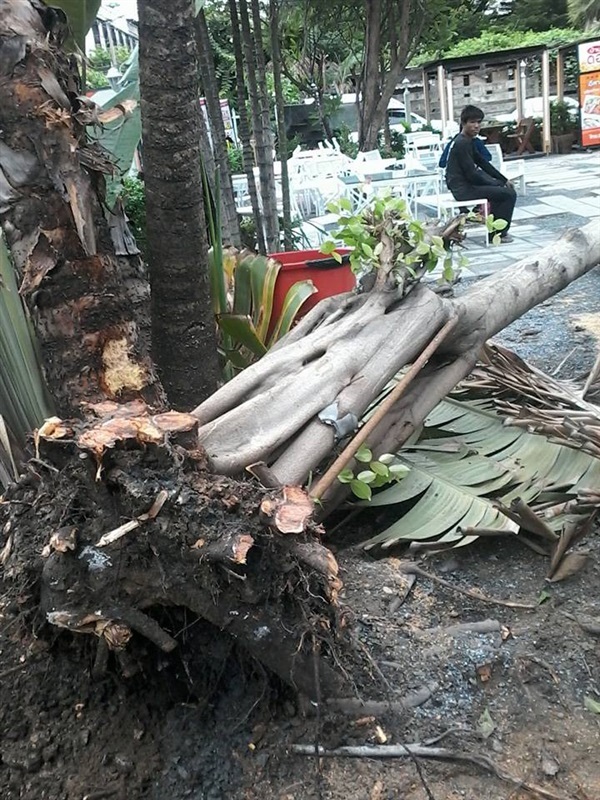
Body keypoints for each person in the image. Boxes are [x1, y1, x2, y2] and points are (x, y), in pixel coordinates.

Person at [445, 105, 517, 243]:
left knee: (502, 192)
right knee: (509, 194)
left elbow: (483, 163)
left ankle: (495, 232)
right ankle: (498, 234)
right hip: (462, 190)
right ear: (463, 123)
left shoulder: (468, 141)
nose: (476, 126)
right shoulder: (461, 143)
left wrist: (503, 179)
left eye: (479, 122)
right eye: (472, 122)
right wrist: (497, 183)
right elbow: (472, 174)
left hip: (465, 186)